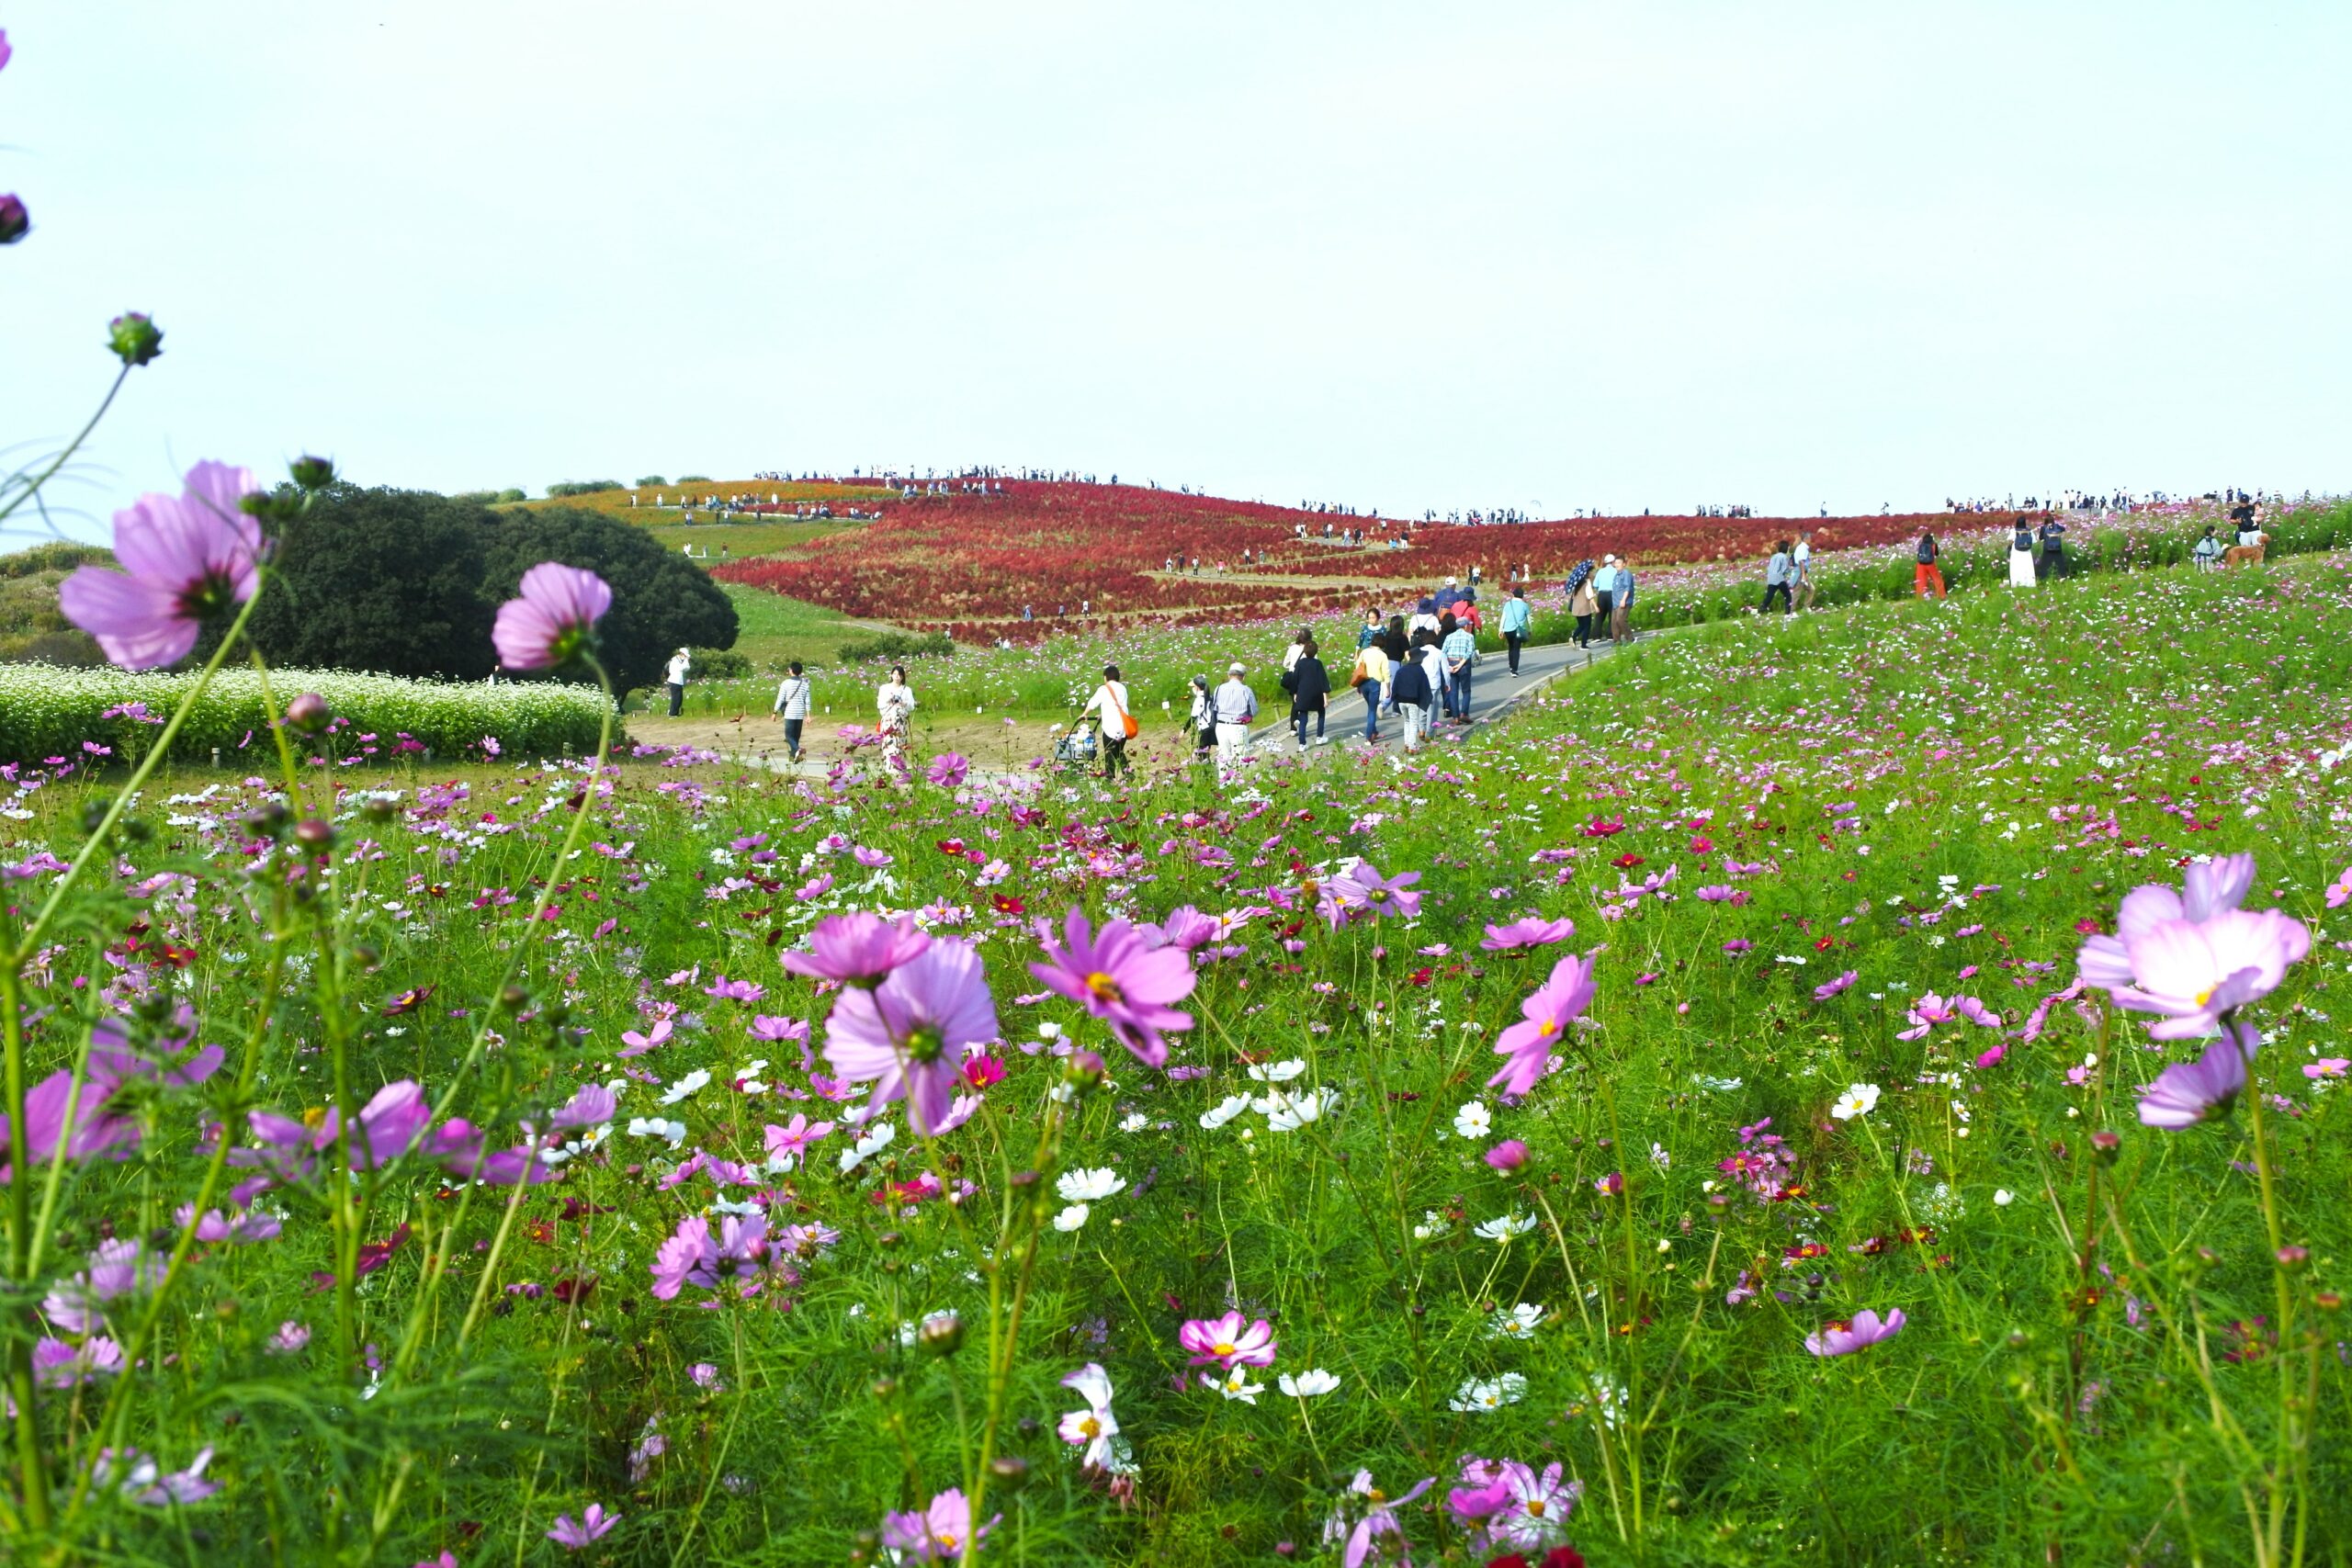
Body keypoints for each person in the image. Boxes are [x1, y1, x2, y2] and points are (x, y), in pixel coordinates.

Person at [1082, 663, 1135, 781]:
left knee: (1109, 753)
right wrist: (1102, 714)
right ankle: (1129, 774)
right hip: (1123, 727)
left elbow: (1093, 703)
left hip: (1110, 727)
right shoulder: (1123, 688)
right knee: (1118, 752)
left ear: (1106, 677)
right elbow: (1119, 706)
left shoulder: (1104, 689)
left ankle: (1110, 778)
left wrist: (1084, 714)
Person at [1212, 662, 1259, 772]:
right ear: (1243, 677)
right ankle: (1239, 783)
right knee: (1240, 756)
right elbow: (1254, 710)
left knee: (1224, 756)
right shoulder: (1246, 690)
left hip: (1221, 725)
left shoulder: (1219, 688)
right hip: (1238, 726)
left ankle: (1224, 783)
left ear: (1229, 675)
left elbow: (1215, 707)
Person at [1391, 634, 1434, 750]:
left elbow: (1395, 686)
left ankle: (1406, 743)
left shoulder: (1401, 670)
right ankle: (1412, 746)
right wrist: (1428, 699)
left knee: (1406, 721)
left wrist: (1394, 698)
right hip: (1412, 700)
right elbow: (1425, 687)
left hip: (1401, 700)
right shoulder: (1419, 670)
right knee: (1414, 722)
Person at [876, 664, 917, 780]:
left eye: (899, 675)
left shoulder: (906, 690)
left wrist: (903, 703)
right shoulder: (884, 688)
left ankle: (899, 768)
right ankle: (888, 768)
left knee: (900, 743)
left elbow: (911, 706)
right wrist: (889, 700)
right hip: (889, 720)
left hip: (900, 721)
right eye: (894, 674)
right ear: (891, 675)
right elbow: (880, 704)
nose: (897, 677)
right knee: (888, 743)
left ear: (903, 677)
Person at [1349, 636, 1392, 742]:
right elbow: (1386, 672)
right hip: (1375, 684)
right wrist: (1388, 688)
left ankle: (1374, 731)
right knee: (1372, 710)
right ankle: (1369, 736)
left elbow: (1358, 666)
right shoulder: (1383, 655)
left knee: (1370, 707)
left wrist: (1358, 685)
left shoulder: (1365, 652)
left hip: (1363, 683)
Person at [1289, 638, 1330, 748]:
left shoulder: (1300, 664)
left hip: (1303, 693)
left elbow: (1295, 679)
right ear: (1316, 651)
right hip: (1317, 693)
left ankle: (1302, 744)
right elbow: (1323, 680)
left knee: (1303, 718)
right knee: (1321, 713)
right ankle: (1319, 737)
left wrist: (1295, 693)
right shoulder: (1318, 664)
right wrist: (1325, 697)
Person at [772, 660, 811, 761]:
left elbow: (780, 698)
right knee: (796, 737)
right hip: (800, 714)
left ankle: (798, 749)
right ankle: (793, 757)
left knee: (789, 736)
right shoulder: (805, 684)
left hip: (789, 713)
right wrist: (808, 715)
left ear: (791, 670)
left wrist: (775, 712)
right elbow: (807, 700)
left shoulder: (786, 683)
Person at [1442, 615, 1478, 722]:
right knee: (1466, 690)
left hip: (1451, 663)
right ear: (1466, 626)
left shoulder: (1449, 637)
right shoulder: (1469, 636)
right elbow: (1470, 651)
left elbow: (1443, 652)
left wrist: (1449, 666)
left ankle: (1455, 716)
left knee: (1453, 691)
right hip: (1463, 663)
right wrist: (1461, 663)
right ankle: (1464, 713)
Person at [1566, 559, 1598, 647]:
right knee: (1587, 626)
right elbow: (1590, 596)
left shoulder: (1577, 583)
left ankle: (1573, 636)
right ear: (1588, 573)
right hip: (1584, 608)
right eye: (1592, 572)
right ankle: (1583, 645)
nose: (1593, 574)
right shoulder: (1587, 582)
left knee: (1581, 625)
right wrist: (1595, 607)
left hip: (1576, 608)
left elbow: (1573, 596)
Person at [1499, 585, 1532, 674]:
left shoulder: (1507, 604)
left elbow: (1503, 618)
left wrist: (1500, 630)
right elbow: (1529, 619)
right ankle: (1514, 670)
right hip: (1518, 630)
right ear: (1522, 596)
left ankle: (1511, 666)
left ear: (1513, 595)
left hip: (1508, 630)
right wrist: (1530, 630)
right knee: (1516, 649)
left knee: (1510, 648)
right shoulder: (1525, 605)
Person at [1187, 674, 1216, 759]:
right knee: (1204, 752)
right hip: (1211, 727)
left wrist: (1183, 730)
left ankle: (1206, 770)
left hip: (1204, 728)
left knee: (1202, 755)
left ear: (1197, 687)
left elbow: (1193, 717)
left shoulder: (1199, 700)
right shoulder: (1209, 697)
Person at [2007, 516, 2039, 589]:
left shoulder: (2013, 531)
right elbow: (2034, 541)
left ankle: (2016, 583)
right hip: (2027, 552)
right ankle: (2029, 583)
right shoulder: (2029, 531)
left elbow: (2010, 540)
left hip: (2016, 552)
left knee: (2016, 568)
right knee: (2027, 568)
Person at [1761, 541, 1793, 613]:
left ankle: (1761, 609)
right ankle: (1788, 612)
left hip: (1771, 579)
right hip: (1779, 579)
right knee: (1788, 596)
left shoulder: (1773, 556)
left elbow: (1770, 568)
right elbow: (1784, 570)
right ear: (1786, 549)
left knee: (1769, 596)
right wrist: (1790, 570)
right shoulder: (1784, 557)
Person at [1591, 556, 1619, 638]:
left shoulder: (1600, 571)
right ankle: (1610, 634)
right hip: (1612, 594)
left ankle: (1596, 636)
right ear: (1613, 562)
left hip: (1602, 595)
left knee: (1600, 616)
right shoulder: (1616, 571)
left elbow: (1595, 585)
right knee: (1612, 615)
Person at [1792, 529, 1817, 611]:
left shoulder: (1802, 547)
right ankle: (1791, 611)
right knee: (1797, 592)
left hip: (1802, 573)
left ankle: (1806, 607)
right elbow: (1801, 561)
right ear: (1806, 539)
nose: (1811, 540)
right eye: (1809, 538)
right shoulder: (1803, 548)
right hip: (1800, 573)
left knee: (1811, 589)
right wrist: (1803, 575)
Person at [1914, 533, 1945, 600]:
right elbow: (1936, 554)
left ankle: (1921, 597)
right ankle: (1941, 595)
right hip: (1931, 564)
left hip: (1921, 564)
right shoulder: (1933, 544)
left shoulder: (1921, 545)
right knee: (1937, 579)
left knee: (1921, 580)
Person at [1611, 564, 1636, 645]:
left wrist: (1624, 599)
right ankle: (1617, 641)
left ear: (1624, 564)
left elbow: (1627, 587)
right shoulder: (1616, 575)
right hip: (1615, 602)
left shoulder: (1626, 574)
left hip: (1624, 601)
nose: (1617, 565)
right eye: (1616, 563)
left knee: (1620, 620)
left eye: (1619, 562)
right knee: (1614, 622)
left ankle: (1630, 638)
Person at [2038, 516, 2068, 580]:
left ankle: (2043, 578)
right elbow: (2064, 529)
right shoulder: (2057, 526)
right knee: (2060, 564)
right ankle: (2063, 577)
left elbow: (2040, 538)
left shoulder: (2043, 528)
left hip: (2047, 549)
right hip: (2057, 549)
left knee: (2045, 565)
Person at [664, 647, 692, 716]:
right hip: (674, 681)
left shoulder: (681, 661)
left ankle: (675, 713)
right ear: (681, 654)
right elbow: (681, 668)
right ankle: (672, 714)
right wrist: (686, 660)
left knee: (679, 699)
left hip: (679, 682)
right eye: (685, 655)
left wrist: (686, 661)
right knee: (675, 698)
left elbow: (687, 668)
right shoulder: (675, 660)